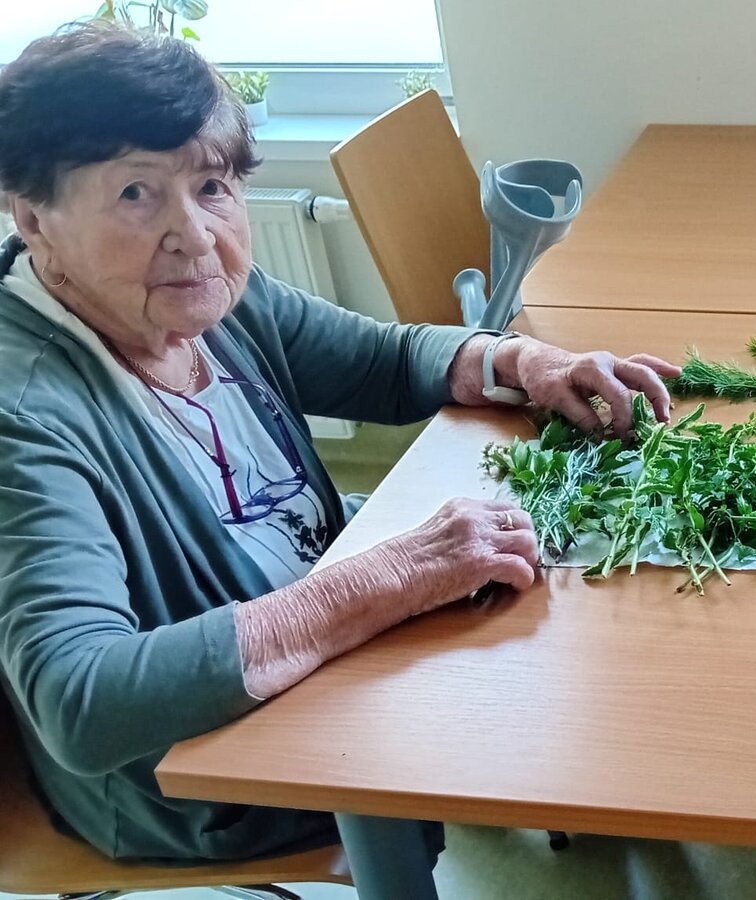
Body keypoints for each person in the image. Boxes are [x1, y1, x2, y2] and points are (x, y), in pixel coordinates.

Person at [0, 23, 682, 863]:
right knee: (589, 675)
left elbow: (382, 361)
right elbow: (81, 701)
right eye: (136, 193)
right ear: (34, 218)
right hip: (205, 778)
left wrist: (521, 361)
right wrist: (386, 579)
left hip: (318, 630)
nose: (197, 235)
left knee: (609, 605)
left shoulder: (201, 294)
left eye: (212, 185)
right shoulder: (22, 415)